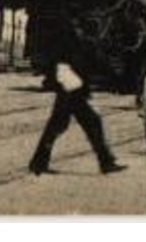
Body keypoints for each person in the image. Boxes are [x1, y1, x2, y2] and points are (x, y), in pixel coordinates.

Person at [29, 18, 126, 176]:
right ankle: (106, 162)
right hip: (73, 89)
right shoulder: (86, 43)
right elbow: (99, 64)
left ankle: (38, 162)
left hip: (69, 88)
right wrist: (118, 78)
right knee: (89, 123)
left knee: (60, 124)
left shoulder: (72, 38)